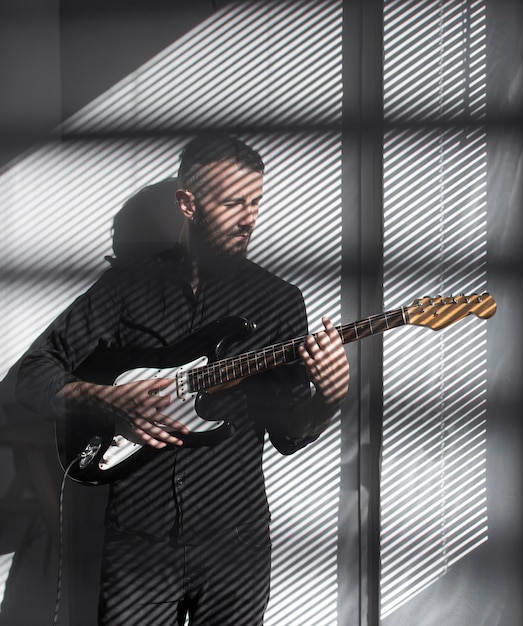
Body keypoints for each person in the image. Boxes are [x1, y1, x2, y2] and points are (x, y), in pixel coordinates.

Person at [14, 133, 350, 625]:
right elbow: (33, 376)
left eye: (256, 201)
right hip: (137, 543)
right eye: (233, 202)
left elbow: (290, 433)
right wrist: (108, 401)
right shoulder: (127, 288)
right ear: (187, 203)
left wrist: (331, 396)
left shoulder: (278, 301)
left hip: (236, 545)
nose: (249, 217)